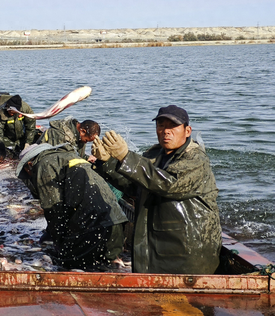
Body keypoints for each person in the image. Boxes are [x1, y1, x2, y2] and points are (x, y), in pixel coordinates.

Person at [92, 105, 222, 274]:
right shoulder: (154, 154)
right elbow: (134, 187)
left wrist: (126, 157)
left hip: (188, 251)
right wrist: (107, 162)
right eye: (161, 126)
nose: (166, 131)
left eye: (173, 126)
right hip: (157, 249)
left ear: (187, 131)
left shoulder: (196, 158)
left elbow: (168, 184)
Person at [16, 143, 128, 271]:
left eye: (28, 172)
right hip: (116, 222)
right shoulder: (68, 156)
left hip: (94, 227)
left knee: (66, 264)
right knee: (110, 269)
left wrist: (58, 242)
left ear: (30, 164)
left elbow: (53, 209)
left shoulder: (43, 164)